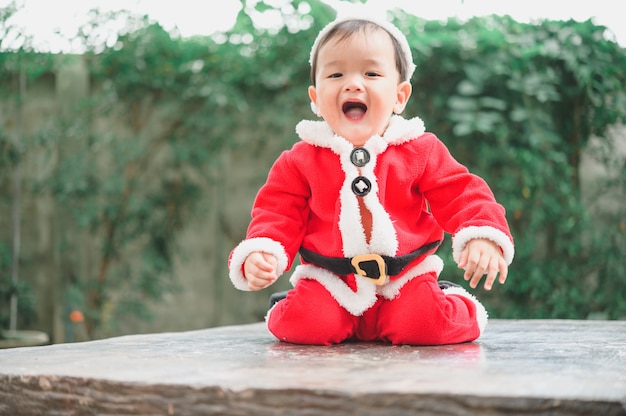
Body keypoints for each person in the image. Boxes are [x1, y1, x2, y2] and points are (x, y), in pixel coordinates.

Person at [228, 13, 514, 346]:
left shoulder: (420, 149)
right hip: (331, 279)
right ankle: (290, 302)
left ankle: (455, 302)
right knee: (303, 325)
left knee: (424, 324)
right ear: (316, 99)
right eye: (335, 74)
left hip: (403, 278)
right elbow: (277, 213)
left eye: (371, 73)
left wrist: (482, 233)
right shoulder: (299, 161)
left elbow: (461, 192)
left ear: (399, 96)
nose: (352, 83)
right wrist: (262, 252)